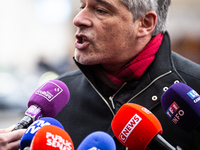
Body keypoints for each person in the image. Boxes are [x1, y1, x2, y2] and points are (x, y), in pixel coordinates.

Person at [2, 0, 200, 149]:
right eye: (82, 6)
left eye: (100, 10)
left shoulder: (194, 87)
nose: (78, 19)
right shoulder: (58, 96)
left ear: (145, 23)